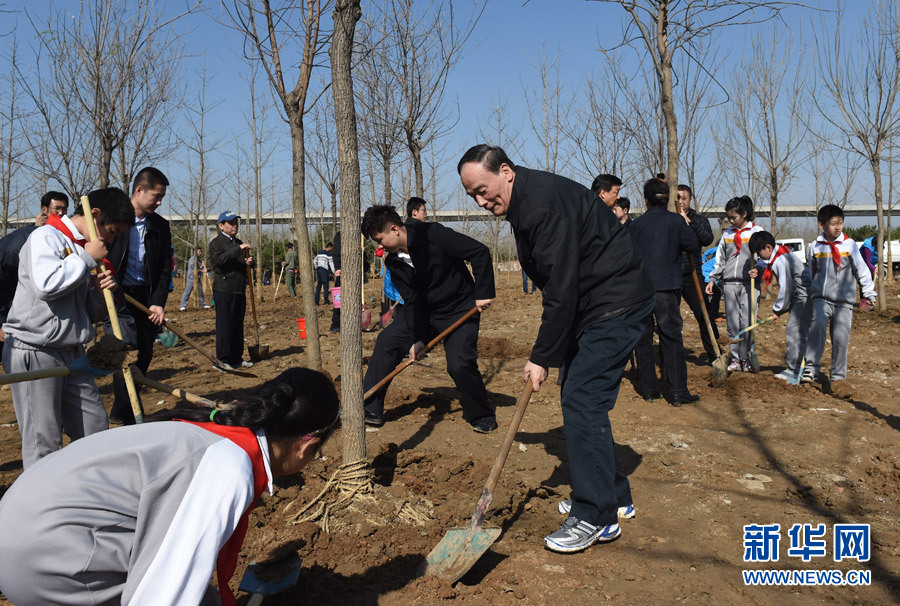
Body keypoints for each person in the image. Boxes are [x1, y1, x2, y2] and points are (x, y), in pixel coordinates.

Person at [0, 367, 339, 606]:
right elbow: (160, 597)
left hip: (20, 525)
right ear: (307, 446)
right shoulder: (228, 468)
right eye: (318, 452)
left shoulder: (210, 428)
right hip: (40, 561)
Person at [459, 145, 655, 553]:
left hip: (615, 302)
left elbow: (561, 289)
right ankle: (612, 495)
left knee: (582, 399)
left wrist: (542, 355)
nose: (481, 200)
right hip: (596, 303)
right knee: (581, 399)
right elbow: (560, 282)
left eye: (483, 189)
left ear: (506, 172)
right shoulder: (526, 200)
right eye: (472, 195)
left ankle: (595, 515)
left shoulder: (541, 206)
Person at [1, 188, 133, 468]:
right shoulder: (45, 237)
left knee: (94, 426)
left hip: (73, 352)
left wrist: (97, 291)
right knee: (44, 440)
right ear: (94, 214)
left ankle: (88, 491)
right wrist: (86, 259)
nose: (111, 238)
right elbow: (46, 285)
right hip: (35, 350)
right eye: (112, 230)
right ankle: (41, 506)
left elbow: (88, 313)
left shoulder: (81, 248)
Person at [360, 205, 497, 432]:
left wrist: (483, 293)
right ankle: (370, 406)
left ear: (394, 229)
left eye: (379, 239)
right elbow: (413, 301)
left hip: (460, 309)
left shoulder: (432, 234)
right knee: (387, 340)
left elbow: (479, 251)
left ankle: (482, 414)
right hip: (427, 312)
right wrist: (418, 338)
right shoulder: (393, 262)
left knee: (459, 364)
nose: (379, 246)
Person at [107, 167, 173, 425]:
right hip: (116, 296)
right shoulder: (114, 220)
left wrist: (158, 302)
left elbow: (165, 268)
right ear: (139, 190)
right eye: (156, 196)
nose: (159, 202)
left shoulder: (160, 226)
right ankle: (133, 417)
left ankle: (119, 409)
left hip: (145, 298)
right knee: (127, 352)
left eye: (162, 198)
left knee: (144, 353)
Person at [629, 179, 701, 405]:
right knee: (671, 338)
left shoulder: (635, 225)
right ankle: (678, 391)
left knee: (643, 339)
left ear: (646, 200)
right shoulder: (676, 222)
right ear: (668, 199)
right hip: (667, 290)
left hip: (640, 290)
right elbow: (692, 246)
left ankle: (650, 390)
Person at [802, 205, 875, 385]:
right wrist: (811, 291)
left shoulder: (849, 245)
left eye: (840, 223)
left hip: (844, 302)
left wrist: (868, 293)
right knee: (816, 329)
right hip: (821, 298)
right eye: (833, 224)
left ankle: (838, 377)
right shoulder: (815, 246)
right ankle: (811, 369)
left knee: (840, 338)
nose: (837, 227)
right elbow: (812, 271)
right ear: (821, 224)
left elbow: (862, 270)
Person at [0, 191, 71, 338]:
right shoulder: (25, 240)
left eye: (64, 209)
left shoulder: (61, 238)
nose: (61, 213)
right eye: (56, 208)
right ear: (44, 210)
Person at [705, 196, 763, 372]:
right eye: (728, 218)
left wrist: (759, 269)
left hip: (749, 285)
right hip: (730, 284)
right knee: (732, 323)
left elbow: (764, 257)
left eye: (734, 217)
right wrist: (713, 279)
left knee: (747, 322)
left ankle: (747, 357)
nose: (731, 221)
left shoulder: (756, 232)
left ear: (744, 214)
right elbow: (720, 259)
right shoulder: (728, 234)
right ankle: (736, 358)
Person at [748, 231, 812, 382]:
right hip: (799, 296)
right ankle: (798, 368)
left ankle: (794, 370)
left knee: (794, 333)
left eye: (759, 252)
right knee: (797, 333)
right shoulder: (780, 254)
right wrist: (759, 267)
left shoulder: (781, 261)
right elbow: (766, 263)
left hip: (803, 297)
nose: (758, 256)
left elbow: (786, 288)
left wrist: (777, 310)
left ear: (768, 248)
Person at [676, 184, 719, 361]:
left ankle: (715, 353)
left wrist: (689, 222)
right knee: (671, 318)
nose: (681, 201)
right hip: (672, 274)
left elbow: (707, 239)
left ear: (690, 199)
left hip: (693, 272)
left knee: (704, 314)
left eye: (684, 198)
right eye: (677, 198)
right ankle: (671, 357)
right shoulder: (669, 219)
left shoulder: (698, 219)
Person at [208, 211, 254, 370]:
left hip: (239, 289)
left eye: (236, 223)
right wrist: (239, 249)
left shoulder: (238, 242)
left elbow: (240, 263)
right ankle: (222, 360)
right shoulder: (216, 243)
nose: (235, 226)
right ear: (221, 225)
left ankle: (236, 358)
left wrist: (248, 262)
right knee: (225, 325)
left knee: (237, 325)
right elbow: (219, 261)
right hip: (224, 289)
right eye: (231, 223)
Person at [330, 231, 342, 333]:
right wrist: (337, 267)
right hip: (342, 272)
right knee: (338, 299)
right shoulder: (339, 235)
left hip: (356, 273)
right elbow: (336, 252)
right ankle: (336, 324)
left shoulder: (358, 235)